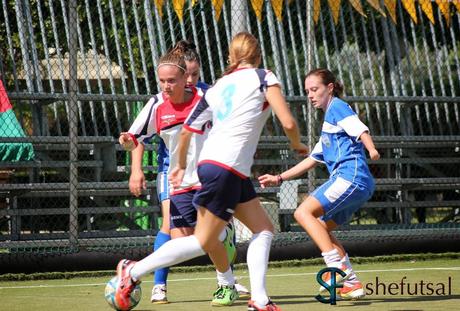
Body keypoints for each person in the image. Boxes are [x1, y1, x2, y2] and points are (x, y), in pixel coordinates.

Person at [114, 32, 308, 311]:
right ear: (258, 55)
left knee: (263, 229)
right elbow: (288, 121)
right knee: (202, 241)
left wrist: (179, 164)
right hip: (226, 167)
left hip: (220, 168)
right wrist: (297, 143)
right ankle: (132, 272)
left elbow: (188, 130)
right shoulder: (264, 77)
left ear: (231, 57)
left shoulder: (216, 88)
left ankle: (259, 298)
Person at [119, 42, 242, 307]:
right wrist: (135, 166)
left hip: (208, 176)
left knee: (204, 236)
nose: (191, 80)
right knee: (181, 237)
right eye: (163, 80)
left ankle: (221, 281)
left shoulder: (208, 98)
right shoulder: (158, 104)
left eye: (195, 75)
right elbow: (135, 137)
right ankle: (219, 251)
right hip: (174, 174)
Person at [258, 68, 380, 300]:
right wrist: (279, 178)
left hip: (350, 177)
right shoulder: (328, 124)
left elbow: (360, 128)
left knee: (303, 212)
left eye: (315, 89)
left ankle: (336, 269)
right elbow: (312, 160)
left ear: (330, 88)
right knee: (321, 226)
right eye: (307, 91)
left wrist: (371, 148)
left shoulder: (337, 106)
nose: (311, 95)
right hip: (357, 183)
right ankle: (352, 283)